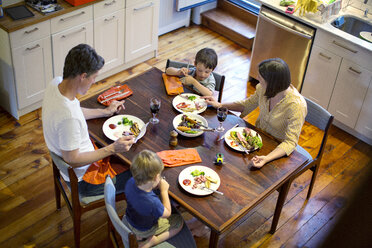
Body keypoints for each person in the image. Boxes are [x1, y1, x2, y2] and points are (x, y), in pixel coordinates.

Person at [42, 44, 135, 196]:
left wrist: (105, 112)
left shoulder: (56, 84)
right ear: (83, 76)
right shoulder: (68, 117)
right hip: (86, 180)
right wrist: (112, 149)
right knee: (145, 173)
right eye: (94, 77)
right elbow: (72, 159)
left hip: (84, 157)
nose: (94, 82)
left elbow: (75, 111)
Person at [203, 58, 307, 168]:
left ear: (272, 84)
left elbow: (290, 143)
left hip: (276, 150)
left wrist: (266, 158)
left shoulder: (296, 106)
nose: (257, 79)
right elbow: (246, 105)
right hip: (256, 140)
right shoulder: (263, 89)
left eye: (261, 78)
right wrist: (220, 105)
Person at [124, 150, 184, 248]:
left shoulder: (130, 182)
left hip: (130, 219)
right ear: (157, 177)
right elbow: (167, 213)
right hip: (145, 229)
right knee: (179, 221)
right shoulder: (152, 202)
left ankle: (139, 236)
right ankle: (153, 241)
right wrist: (164, 190)